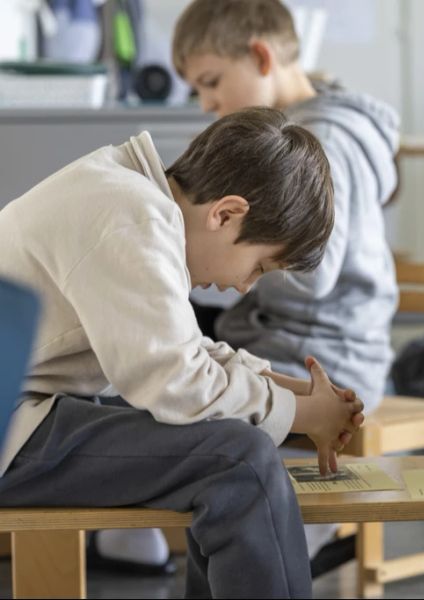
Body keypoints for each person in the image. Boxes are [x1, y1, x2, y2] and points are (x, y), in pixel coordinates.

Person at [0, 106, 363, 599]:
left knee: (226, 446)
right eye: (258, 267)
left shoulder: (128, 194)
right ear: (226, 214)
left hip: (22, 415)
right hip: (10, 428)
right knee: (241, 461)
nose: (242, 286)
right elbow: (178, 382)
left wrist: (296, 394)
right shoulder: (131, 216)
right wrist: (300, 412)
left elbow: (179, 349)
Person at [172, 0, 400, 570]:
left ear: (260, 55)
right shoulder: (301, 127)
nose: (207, 104)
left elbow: (313, 273)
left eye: (211, 82)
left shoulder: (321, 136)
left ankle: (279, 548)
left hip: (326, 353)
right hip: (278, 336)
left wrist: (213, 267)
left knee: (191, 400)